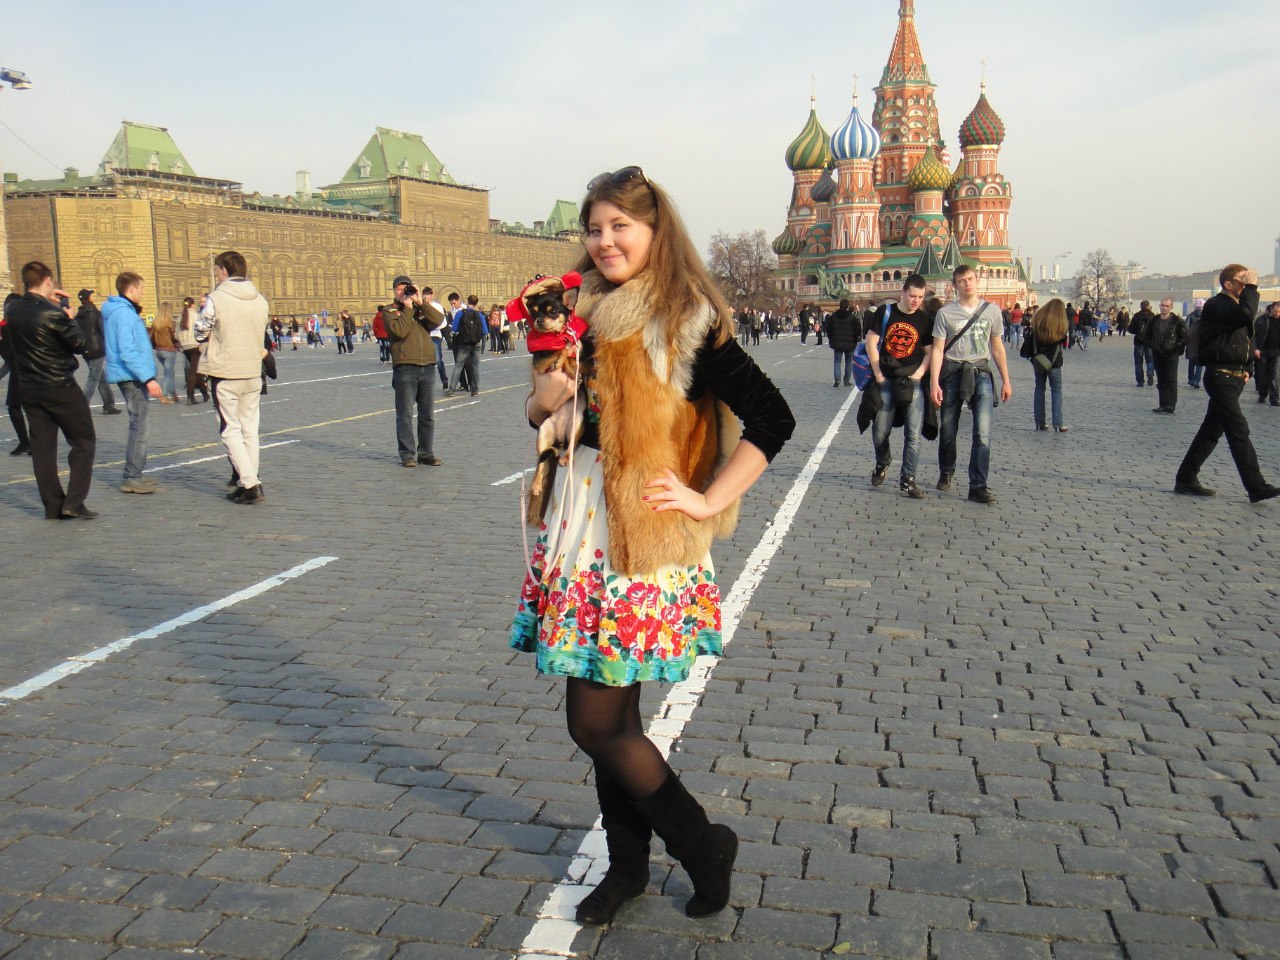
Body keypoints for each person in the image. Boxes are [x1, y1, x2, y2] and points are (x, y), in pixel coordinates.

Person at [511, 166, 794, 926]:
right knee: (615, 721)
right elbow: (543, 413)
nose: (605, 241)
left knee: (594, 724)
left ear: (654, 230)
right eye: (594, 229)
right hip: (580, 528)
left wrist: (706, 499)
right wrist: (547, 396)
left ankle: (703, 844)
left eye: (620, 227)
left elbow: (773, 416)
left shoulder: (684, 316)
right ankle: (628, 867)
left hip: (639, 543)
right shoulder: (575, 312)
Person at [1175, 265, 1279, 503]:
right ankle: (1256, 486)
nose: (1247, 284)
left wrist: (1248, 368)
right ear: (1228, 284)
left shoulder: (1236, 307)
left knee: (1210, 432)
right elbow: (1246, 315)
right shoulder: (1217, 305)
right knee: (1238, 429)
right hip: (1220, 376)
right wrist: (1252, 287)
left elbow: (1247, 338)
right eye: (1242, 281)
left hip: (1235, 376)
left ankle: (1186, 478)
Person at [4, 262, 98, 518]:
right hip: (59, 386)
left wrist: (50, 302)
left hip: (29, 388)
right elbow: (79, 344)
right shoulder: (52, 313)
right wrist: (67, 315)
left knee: (42, 449)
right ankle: (74, 502)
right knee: (83, 440)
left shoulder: (12, 310)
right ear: (47, 281)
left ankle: (53, 506)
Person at [928, 264, 1012, 504]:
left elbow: (997, 348)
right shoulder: (945, 314)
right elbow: (937, 350)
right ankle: (946, 470)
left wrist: (1006, 381)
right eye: (962, 280)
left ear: (977, 280)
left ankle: (978, 485)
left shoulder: (992, 311)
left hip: (980, 372)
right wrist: (934, 383)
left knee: (983, 432)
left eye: (970, 279)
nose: (967, 284)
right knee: (948, 429)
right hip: (953, 373)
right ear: (954, 285)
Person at [196, 251, 270, 505]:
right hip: (253, 371)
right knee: (250, 429)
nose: (216, 275)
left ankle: (250, 484)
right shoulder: (260, 299)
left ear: (225, 271)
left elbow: (199, 331)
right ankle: (247, 480)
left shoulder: (216, 299)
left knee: (230, 430)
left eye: (217, 270)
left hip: (225, 372)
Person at [865, 275, 931, 497]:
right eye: (912, 296)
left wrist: (918, 374)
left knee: (913, 434)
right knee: (879, 431)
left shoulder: (924, 320)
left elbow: (930, 352)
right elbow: (871, 342)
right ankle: (883, 460)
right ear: (903, 292)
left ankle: (908, 479)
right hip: (887, 378)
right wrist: (878, 374)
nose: (916, 301)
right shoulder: (886, 312)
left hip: (912, 381)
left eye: (920, 297)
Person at [103, 271, 164, 494]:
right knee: (140, 427)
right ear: (130, 289)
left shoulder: (118, 311)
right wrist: (148, 378)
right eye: (141, 289)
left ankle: (135, 473)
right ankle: (132, 477)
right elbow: (128, 350)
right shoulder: (125, 314)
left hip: (129, 374)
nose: (142, 293)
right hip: (132, 375)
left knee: (138, 425)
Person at [386, 275, 443, 467]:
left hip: (427, 366)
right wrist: (408, 308)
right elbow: (399, 331)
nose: (404, 292)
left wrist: (421, 303)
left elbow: (439, 320)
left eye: (407, 288)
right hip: (405, 367)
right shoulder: (390, 311)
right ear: (394, 291)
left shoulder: (420, 310)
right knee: (405, 415)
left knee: (427, 415)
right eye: (400, 289)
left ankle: (426, 453)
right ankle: (407, 454)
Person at [1023, 299, 1069, 432]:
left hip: (1038, 359)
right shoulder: (1060, 324)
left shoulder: (1038, 321)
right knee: (1056, 389)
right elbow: (1063, 341)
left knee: (1039, 388)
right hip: (1054, 362)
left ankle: (1040, 422)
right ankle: (1058, 423)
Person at [74, 289, 121, 415]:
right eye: (91, 295)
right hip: (97, 349)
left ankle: (108, 405)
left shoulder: (78, 315)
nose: (93, 297)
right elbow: (104, 331)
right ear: (88, 298)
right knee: (93, 379)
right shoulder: (95, 313)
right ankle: (82, 407)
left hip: (86, 350)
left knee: (100, 378)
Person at [1, 292, 32, 454]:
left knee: (20, 407)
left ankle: (30, 442)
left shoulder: (7, 327)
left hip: (23, 370)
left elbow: (8, 354)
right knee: (18, 407)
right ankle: (28, 442)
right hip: (22, 369)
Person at [1148, 297, 1187, 414]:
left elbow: (1184, 336)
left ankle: (1170, 404)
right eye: (1162, 305)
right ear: (1159, 306)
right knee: (1161, 379)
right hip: (1157, 353)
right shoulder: (1154, 320)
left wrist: (1176, 347)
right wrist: (1153, 346)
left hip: (1172, 354)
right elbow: (1147, 336)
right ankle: (1162, 403)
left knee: (1170, 378)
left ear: (1171, 307)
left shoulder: (1177, 321)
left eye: (1167, 306)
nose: (1164, 308)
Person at [446, 294, 486, 396]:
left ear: (468, 302)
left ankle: (451, 390)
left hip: (464, 343)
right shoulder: (479, 315)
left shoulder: (460, 313)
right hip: (476, 343)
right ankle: (474, 390)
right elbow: (485, 331)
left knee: (459, 365)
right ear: (476, 303)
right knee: (475, 366)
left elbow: (454, 329)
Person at [177, 296, 210, 404]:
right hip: (195, 346)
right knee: (193, 371)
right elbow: (202, 330)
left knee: (197, 369)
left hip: (185, 347)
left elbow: (176, 335)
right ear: (192, 305)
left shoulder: (180, 317)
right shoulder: (196, 316)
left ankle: (205, 394)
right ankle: (190, 395)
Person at [825, 298, 861, 388]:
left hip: (837, 342)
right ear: (847, 306)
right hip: (850, 343)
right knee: (849, 362)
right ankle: (846, 380)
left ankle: (837, 379)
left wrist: (831, 338)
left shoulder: (833, 317)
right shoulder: (852, 317)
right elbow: (857, 331)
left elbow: (828, 329)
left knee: (837, 362)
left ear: (840, 306)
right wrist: (856, 339)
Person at [151, 301, 181, 403]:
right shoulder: (170, 323)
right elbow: (174, 337)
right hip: (169, 350)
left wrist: (155, 346)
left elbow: (151, 337)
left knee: (170, 372)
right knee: (168, 374)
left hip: (159, 351)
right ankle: (164, 396)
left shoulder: (155, 323)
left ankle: (173, 394)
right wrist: (179, 345)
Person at [1252, 301, 1280, 406]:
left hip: (1277, 352)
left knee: (1275, 375)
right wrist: (1255, 349)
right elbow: (1253, 336)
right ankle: (1262, 394)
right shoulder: (1261, 320)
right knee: (1261, 375)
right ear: (1271, 309)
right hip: (1263, 351)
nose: (1277, 314)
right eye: (1276, 311)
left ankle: (1275, 398)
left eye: (1279, 312)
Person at [1130, 300, 1156, 386]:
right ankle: (1150, 372)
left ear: (1141, 306)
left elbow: (1131, 329)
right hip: (1149, 342)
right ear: (1148, 306)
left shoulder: (1137, 316)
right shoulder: (1152, 316)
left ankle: (1140, 381)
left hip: (1139, 341)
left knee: (1138, 362)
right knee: (1150, 360)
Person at [1185, 299, 1205, 389]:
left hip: (1192, 342)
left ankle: (1191, 379)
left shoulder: (1190, 316)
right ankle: (1197, 380)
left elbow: (1186, 328)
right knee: (1200, 363)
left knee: (1191, 362)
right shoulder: (1206, 317)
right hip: (1202, 342)